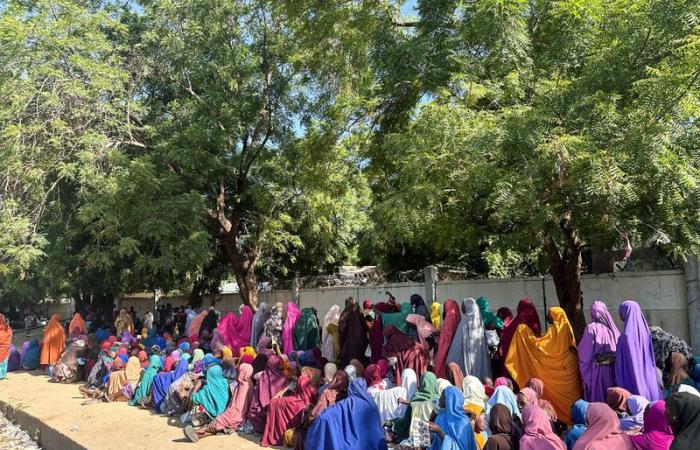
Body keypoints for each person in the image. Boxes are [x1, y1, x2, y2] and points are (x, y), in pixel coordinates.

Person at [505, 307, 581, 424]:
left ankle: (561, 420)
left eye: (550, 315)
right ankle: (575, 417)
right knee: (572, 399)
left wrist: (523, 333)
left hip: (562, 371)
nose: (548, 318)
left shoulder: (552, 332)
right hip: (570, 369)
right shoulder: (567, 329)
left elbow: (540, 347)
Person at [305, 378, 388, 450]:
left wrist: (316, 426)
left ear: (350, 389)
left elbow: (324, 417)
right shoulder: (371, 404)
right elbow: (377, 430)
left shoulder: (344, 404)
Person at [615, 300, 662, 401]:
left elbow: (626, 360)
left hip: (631, 373)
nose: (619, 315)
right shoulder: (645, 331)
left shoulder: (626, 335)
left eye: (620, 312)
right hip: (647, 372)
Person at [578, 301, 620, 402]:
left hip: (598, 371)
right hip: (613, 370)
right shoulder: (613, 329)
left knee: (599, 399)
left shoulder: (591, 328)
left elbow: (584, 354)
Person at [261, 375, 318, 447]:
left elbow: (273, 402)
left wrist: (276, 398)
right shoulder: (313, 399)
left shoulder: (290, 401)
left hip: (287, 435)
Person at [446, 298, 492, 380]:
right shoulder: (479, 321)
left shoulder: (465, 321)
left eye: (463, 305)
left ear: (468, 307)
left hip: (467, 354)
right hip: (478, 353)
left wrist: (451, 359)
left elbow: (457, 342)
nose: (461, 307)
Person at [428, 386, 478, 450]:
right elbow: (436, 443)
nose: (440, 398)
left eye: (442, 396)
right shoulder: (440, 417)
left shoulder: (463, 422)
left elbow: (462, 447)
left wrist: (439, 431)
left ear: (449, 399)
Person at [434, 299, 462, 378]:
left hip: (446, 346)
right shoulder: (457, 318)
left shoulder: (448, 319)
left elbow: (445, 337)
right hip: (455, 347)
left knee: (442, 365)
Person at [338, 297, 368, 367]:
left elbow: (341, 330)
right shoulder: (360, 312)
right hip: (360, 343)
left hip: (348, 345)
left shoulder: (344, 314)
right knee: (360, 363)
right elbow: (367, 327)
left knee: (349, 364)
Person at [0, 313, 12, 380]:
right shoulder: (8, 328)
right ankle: (3, 375)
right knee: (4, 362)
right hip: (5, 349)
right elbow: (10, 335)